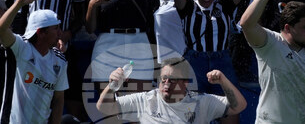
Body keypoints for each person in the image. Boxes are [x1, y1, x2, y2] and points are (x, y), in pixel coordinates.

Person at [171, 0, 255, 124]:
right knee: (192, 117)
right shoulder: (188, 7)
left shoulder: (224, 5)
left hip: (222, 62)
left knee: (231, 113)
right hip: (195, 63)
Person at [97, 58, 247, 123]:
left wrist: (223, 81)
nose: (167, 83)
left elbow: (238, 106)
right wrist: (112, 86)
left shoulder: (201, 102)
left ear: (186, 83)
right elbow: (104, 108)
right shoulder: (146, 99)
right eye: (163, 79)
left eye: (173, 79)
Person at [0, 0, 67, 123]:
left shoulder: (60, 60)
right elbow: (1, 30)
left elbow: (59, 99)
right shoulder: (20, 47)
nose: (60, 33)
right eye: (55, 29)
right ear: (41, 32)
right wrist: (19, 3)